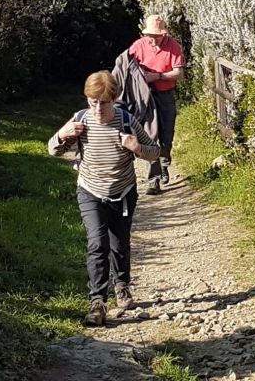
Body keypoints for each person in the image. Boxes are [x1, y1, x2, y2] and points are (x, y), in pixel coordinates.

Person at [51, 72, 162, 326]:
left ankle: (122, 285)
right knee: (96, 243)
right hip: (90, 190)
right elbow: (53, 150)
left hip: (122, 192)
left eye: (104, 103)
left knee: (119, 243)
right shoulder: (80, 120)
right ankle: (97, 302)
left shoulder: (126, 121)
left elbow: (154, 152)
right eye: (93, 102)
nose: (98, 109)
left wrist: (137, 148)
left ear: (114, 100)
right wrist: (63, 134)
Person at [128, 14, 185, 194]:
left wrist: (158, 76)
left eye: (156, 36)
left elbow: (179, 74)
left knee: (166, 135)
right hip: (145, 96)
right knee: (149, 136)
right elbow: (127, 67)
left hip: (165, 94)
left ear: (163, 34)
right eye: (149, 36)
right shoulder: (138, 46)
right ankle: (154, 179)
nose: (152, 39)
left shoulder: (174, 47)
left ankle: (164, 163)